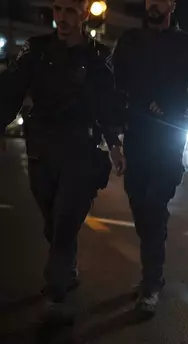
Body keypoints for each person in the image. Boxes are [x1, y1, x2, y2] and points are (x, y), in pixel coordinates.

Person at [0, 0, 126, 323]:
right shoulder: (36, 48)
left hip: (80, 150)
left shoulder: (99, 56)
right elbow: (12, 91)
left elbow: (107, 104)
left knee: (67, 216)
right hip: (41, 149)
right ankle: (65, 264)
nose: (62, 17)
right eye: (58, 9)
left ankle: (57, 285)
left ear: (83, 14)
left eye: (70, 10)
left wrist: (114, 144)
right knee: (51, 219)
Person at [110, 0, 188, 316]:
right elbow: (112, 85)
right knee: (141, 207)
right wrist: (114, 131)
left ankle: (151, 282)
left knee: (155, 205)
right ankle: (151, 272)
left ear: (172, 4)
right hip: (137, 137)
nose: (153, 3)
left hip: (170, 138)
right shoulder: (129, 41)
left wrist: (174, 105)